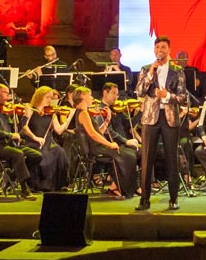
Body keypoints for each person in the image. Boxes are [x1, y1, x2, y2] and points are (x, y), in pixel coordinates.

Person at [134, 36, 189, 211]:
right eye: (157, 47)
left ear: (169, 49)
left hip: (170, 118)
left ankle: (173, 198)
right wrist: (151, 73)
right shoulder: (145, 69)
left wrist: (167, 95)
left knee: (172, 158)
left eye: (163, 47)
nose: (160, 50)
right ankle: (144, 199)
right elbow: (140, 91)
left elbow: (182, 96)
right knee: (147, 159)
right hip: (151, 118)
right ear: (154, 49)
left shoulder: (177, 70)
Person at [72, 85, 138, 198]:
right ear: (83, 97)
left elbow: (99, 132)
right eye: (90, 95)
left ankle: (118, 187)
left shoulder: (86, 112)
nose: (92, 98)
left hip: (97, 145)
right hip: (95, 148)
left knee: (130, 153)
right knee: (127, 155)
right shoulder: (83, 113)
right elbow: (93, 134)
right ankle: (121, 188)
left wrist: (107, 120)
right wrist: (109, 144)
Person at [0, 83, 42, 198]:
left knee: (36, 155)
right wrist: (9, 135)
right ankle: (24, 190)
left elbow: (16, 132)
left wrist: (25, 117)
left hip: (10, 145)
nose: (9, 97)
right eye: (7, 93)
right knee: (18, 154)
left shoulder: (2, 111)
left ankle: (10, 177)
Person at [22, 86, 71, 191]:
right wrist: (35, 138)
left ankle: (59, 184)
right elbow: (24, 127)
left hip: (48, 142)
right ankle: (42, 184)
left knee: (60, 152)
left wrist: (68, 119)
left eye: (51, 97)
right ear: (39, 97)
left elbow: (58, 130)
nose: (50, 100)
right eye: (47, 97)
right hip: (33, 142)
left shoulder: (51, 113)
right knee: (45, 155)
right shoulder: (30, 109)